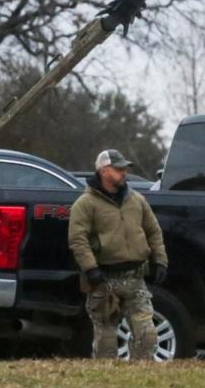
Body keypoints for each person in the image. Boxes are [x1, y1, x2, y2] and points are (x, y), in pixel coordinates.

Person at [68, 149, 168, 360]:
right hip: (103, 280)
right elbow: (78, 240)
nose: (124, 173)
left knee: (147, 335)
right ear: (104, 171)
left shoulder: (137, 200)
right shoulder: (85, 204)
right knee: (106, 339)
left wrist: (160, 260)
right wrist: (91, 269)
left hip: (135, 279)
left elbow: (153, 231)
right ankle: (107, 374)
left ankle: (141, 373)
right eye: (118, 169)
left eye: (125, 169)